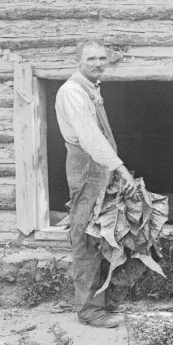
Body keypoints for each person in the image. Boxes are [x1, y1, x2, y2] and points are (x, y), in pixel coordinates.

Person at [57, 40, 128, 329]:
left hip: (98, 166)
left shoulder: (92, 88)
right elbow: (89, 137)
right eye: (91, 59)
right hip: (87, 166)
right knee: (86, 236)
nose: (98, 63)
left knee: (102, 232)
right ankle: (89, 310)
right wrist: (120, 168)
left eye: (102, 58)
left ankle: (100, 301)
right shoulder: (73, 91)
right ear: (78, 61)